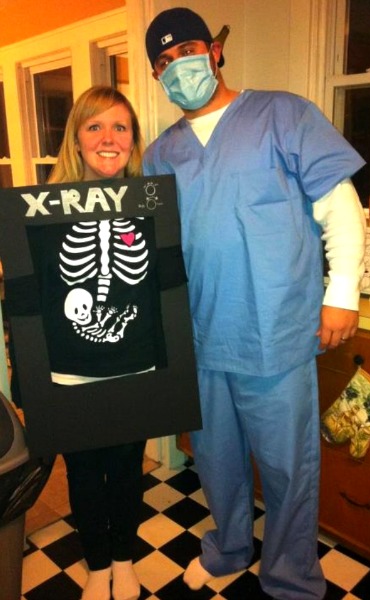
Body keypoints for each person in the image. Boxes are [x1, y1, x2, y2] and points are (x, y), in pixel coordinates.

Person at [143, 8, 366, 600]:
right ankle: (229, 548)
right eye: (163, 62)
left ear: (214, 52)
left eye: (186, 51)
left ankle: (290, 577)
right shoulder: (160, 154)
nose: (177, 67)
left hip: (275, 334)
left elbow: (339, 204)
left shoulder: (284, 115)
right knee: (217, 462)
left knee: (288, 468)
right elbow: (154, 250)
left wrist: (343, 290)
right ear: (158, 76)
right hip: (201, 337)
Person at [34, 86, 149, 600]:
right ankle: (97, 563)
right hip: (72, 370)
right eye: (94, 126)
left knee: (126, 468)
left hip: (134, 367)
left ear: (132, 140)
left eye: (120, 127)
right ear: (76, 139)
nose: (108, 138)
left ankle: (123, 558)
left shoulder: (152, 204)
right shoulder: (42, 210)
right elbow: (34, 296)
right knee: (82, 471)